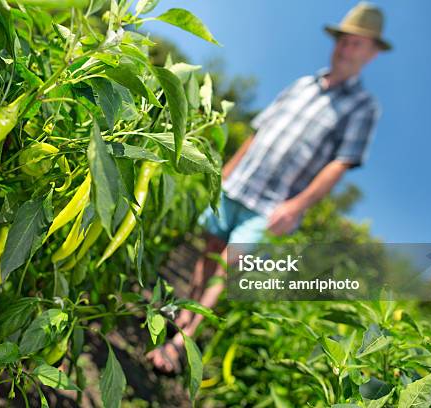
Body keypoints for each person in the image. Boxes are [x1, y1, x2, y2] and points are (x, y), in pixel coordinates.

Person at [148, 2, 392, 374]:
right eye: (344, 40)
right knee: (209, 249)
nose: (346, 49)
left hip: (275, 205)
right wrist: (225, 172)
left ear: (372, 53)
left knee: (229, 266)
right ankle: (184, 315)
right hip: (239, 183)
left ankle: (180, 344)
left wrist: (297, 206)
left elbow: (339, 164)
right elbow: (260, 131)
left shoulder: (363, 106)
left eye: (357, 44)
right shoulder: (302, 85)